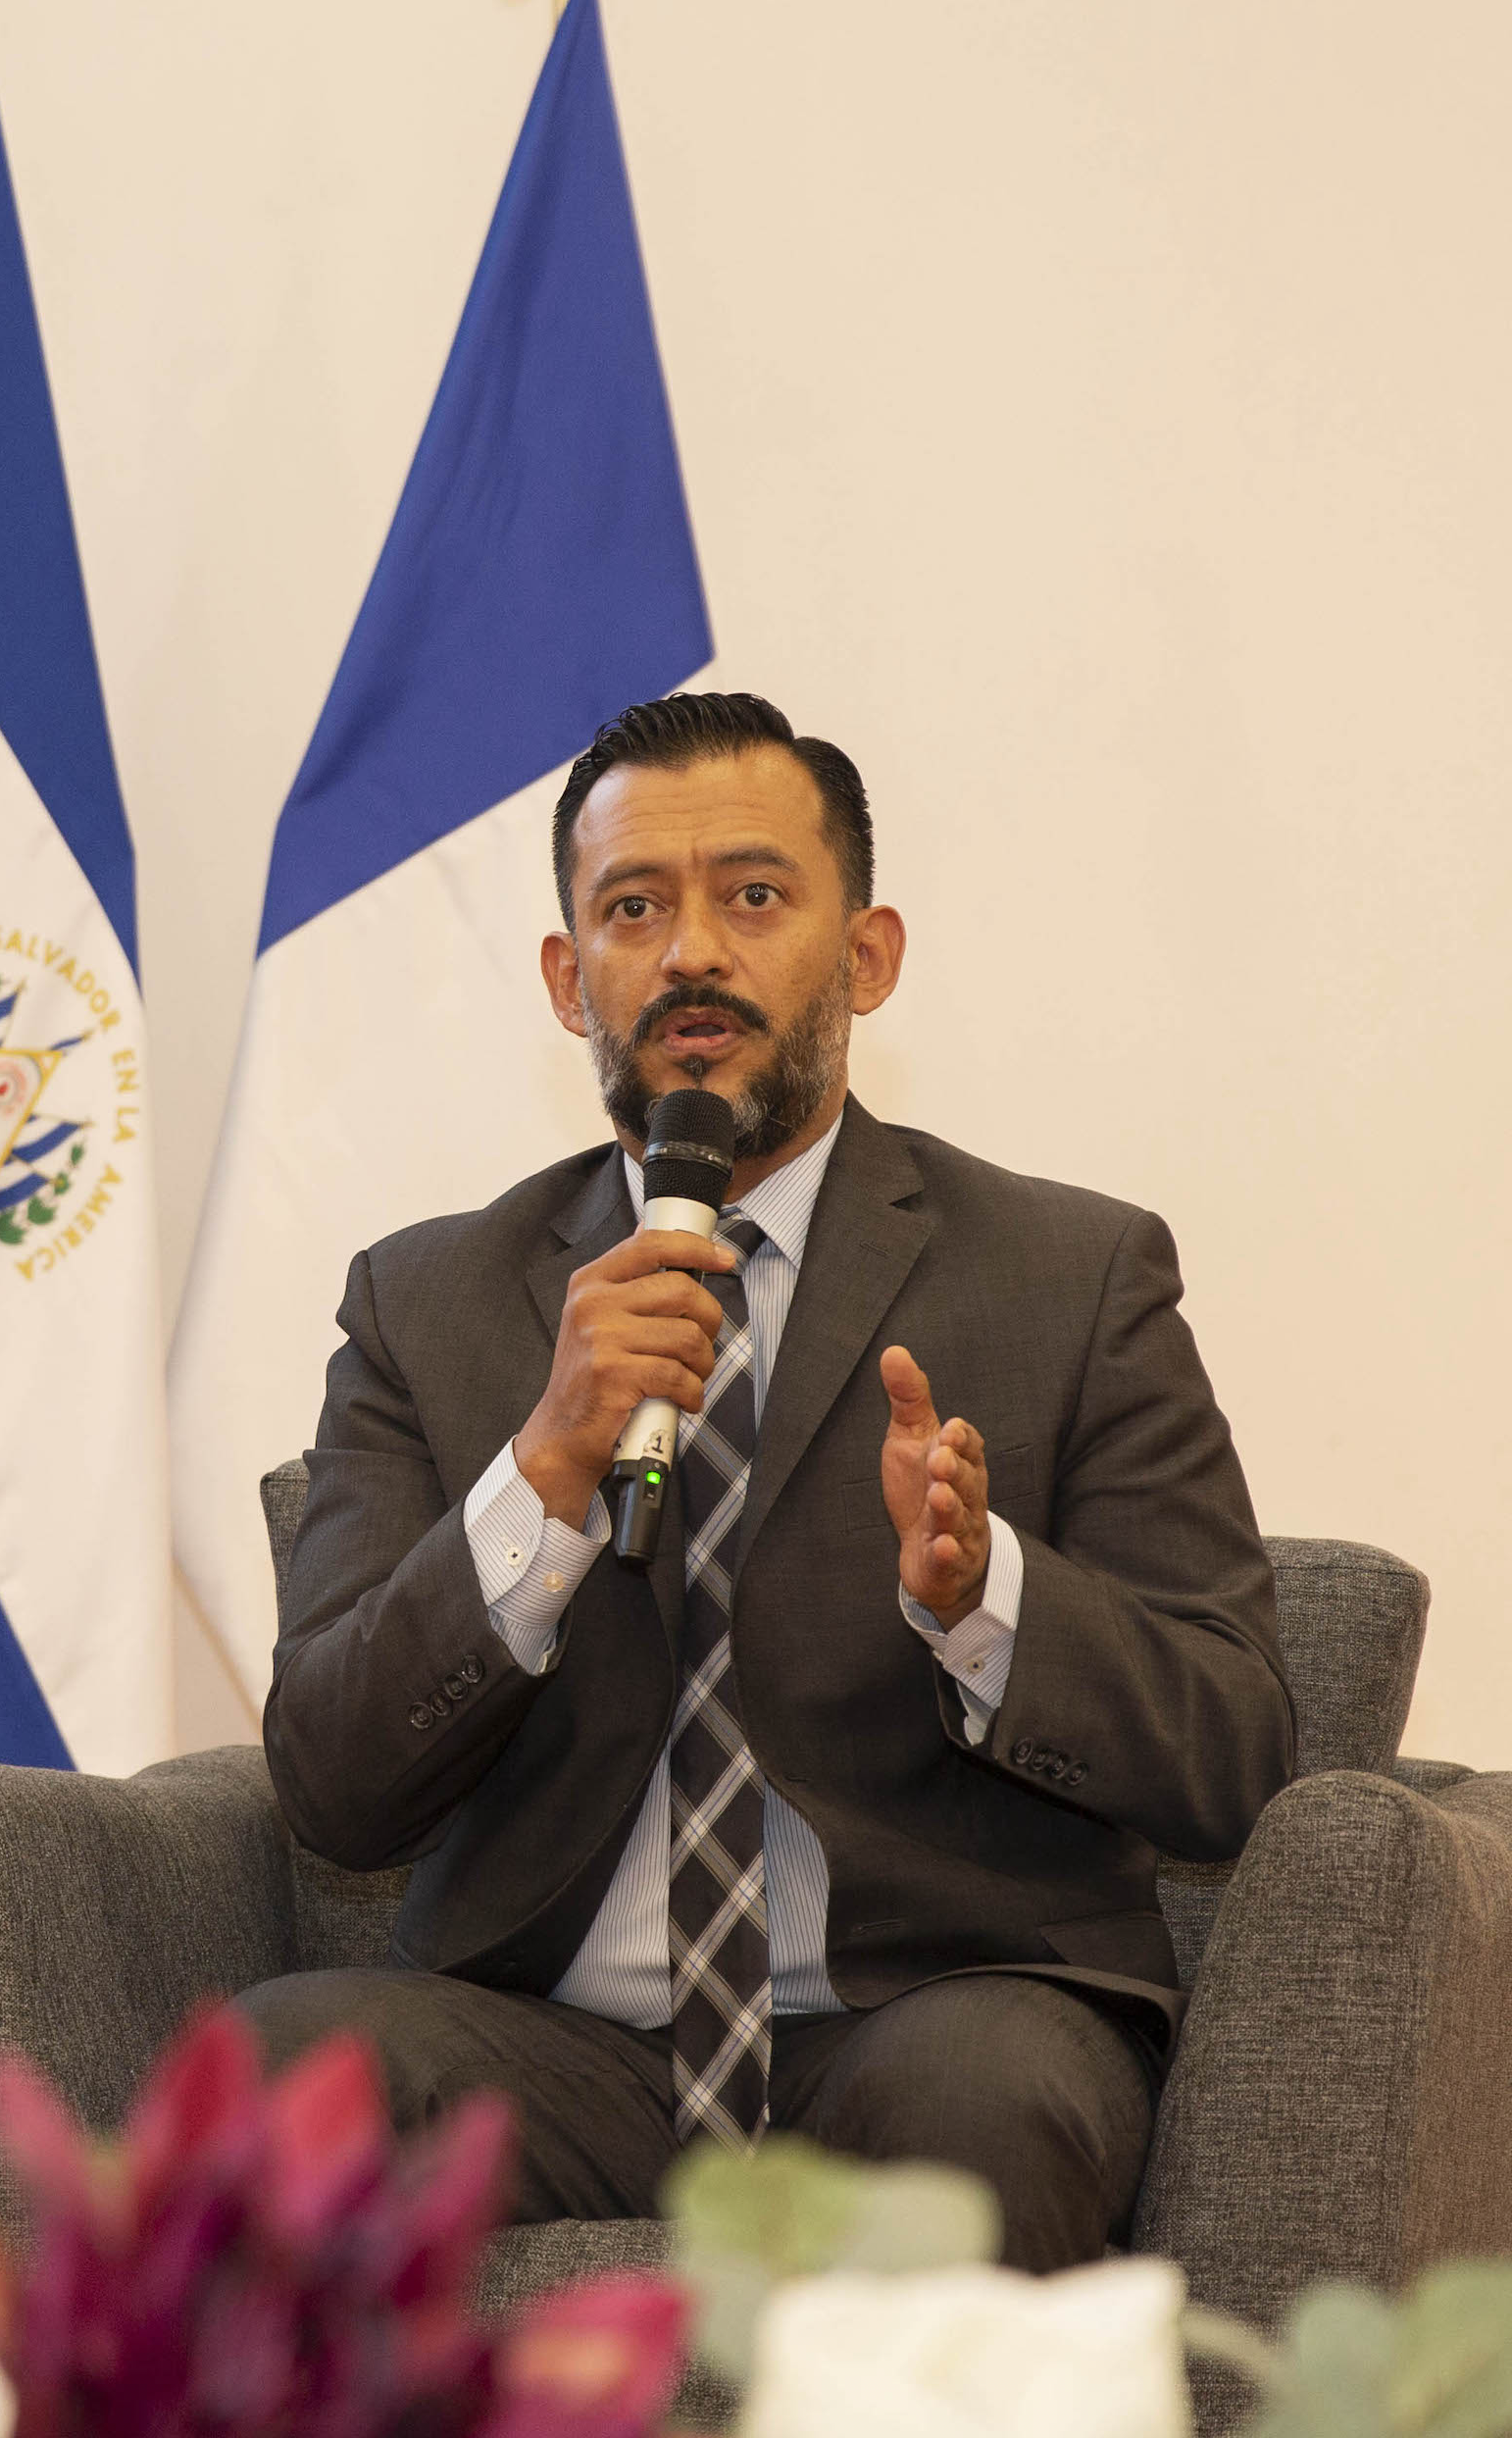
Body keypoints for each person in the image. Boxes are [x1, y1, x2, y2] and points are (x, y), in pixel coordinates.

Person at [251, 690, 1292, 2267]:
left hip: (919, 2023)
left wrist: (982, 1599)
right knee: (276, 2083)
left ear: (865, 954)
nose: (690, 956)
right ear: (567, 977)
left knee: (984, 2107)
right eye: (632, 908)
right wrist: (541, 1475)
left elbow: (1236, 1745)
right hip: (556, 2050)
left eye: (752, 896)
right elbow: (332, 1785)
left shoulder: (1073, 1277)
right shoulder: (428, 1303)